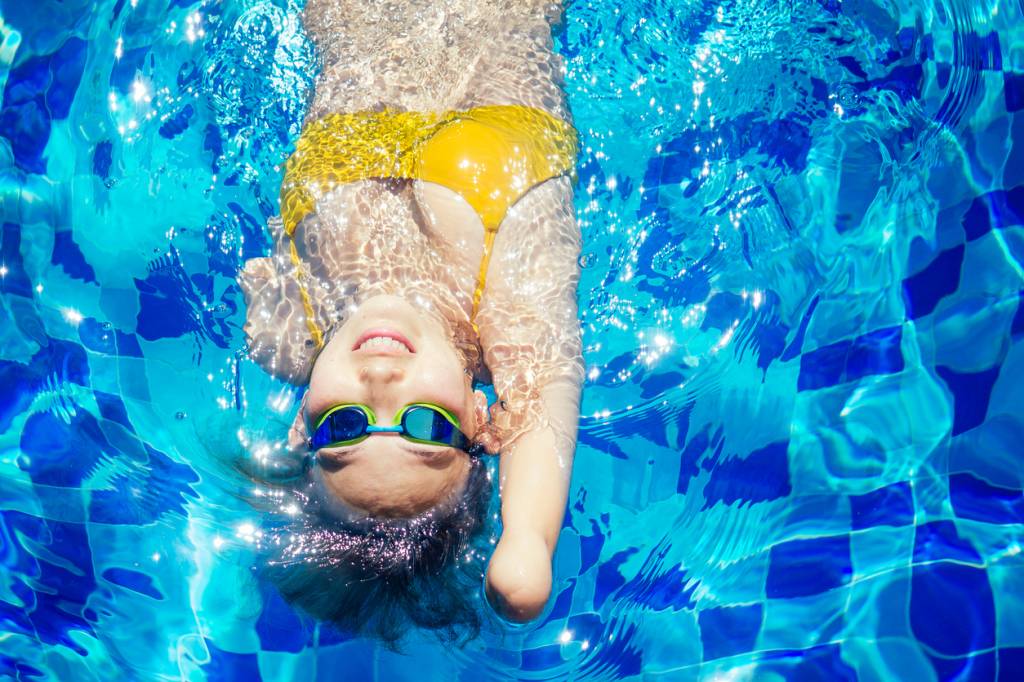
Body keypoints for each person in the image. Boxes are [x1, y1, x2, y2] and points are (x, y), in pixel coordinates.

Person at [240, 0, 583, 641]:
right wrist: (528, 538)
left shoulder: (290, 331)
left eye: (344, 426)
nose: (379, 384)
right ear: (484, 422)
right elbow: (551, 380)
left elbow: (263, 281)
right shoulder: (499, 311)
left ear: (300, 423)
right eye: (425, 425)